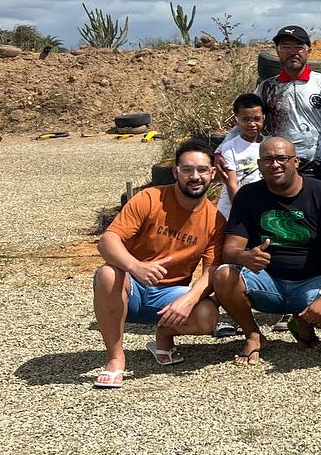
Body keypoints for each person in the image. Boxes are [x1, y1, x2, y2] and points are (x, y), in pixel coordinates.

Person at [212, 137, 321, 365]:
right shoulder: (247, 195)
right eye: (268, 159)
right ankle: (253, 334)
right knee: (223, 276)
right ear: (259, 164)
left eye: (282, 158)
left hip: (312, 281)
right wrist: (245, 256)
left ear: (296, 161)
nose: (275, 164)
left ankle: (303, 324)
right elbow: (230, 250)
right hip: (266, 281)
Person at [92, 141, 224, 388]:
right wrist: (135, 266)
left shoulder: (215, 220)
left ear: (213, 174)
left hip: (168, 298)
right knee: (108, 274)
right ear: (175, 172)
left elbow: (212, 270)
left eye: (202, 170)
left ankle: (164, 335)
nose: (195, 177)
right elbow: (107, 241)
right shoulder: (150, 198)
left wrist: (191, 298)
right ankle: (116, 357)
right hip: (130, 288)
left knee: (208, 315)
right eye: (187, 170)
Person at [256, 24, 321, 184]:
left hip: (318, 167)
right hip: (279, 167)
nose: (292, 52)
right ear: (278, 51)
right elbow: (249, 121)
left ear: (309, 50)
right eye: (285, 47)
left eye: (298, 47)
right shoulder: (267, 88)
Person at [213, 93, 264, 219]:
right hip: (232, 210)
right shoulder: (230, 147)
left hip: (260, 208)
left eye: (256, 119)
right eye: (245, 119)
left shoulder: (269, 144)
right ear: (236, 120)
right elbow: (232, 184)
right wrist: (241, 212)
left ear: (264, 117)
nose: (251, 124)